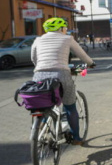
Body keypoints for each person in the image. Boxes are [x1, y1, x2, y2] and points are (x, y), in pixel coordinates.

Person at [31, 17, 95, 146]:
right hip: (61, 74)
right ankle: (76, 138)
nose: (66, 29)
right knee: (70, 107)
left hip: (38, 76)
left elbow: (33, 58)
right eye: (65, 27)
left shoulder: (38, 40)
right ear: (60, 28)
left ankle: (40, 131)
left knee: (43, 105)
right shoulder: (67, 39)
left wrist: (42, 67)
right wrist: (91, 63)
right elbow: (82, 54)